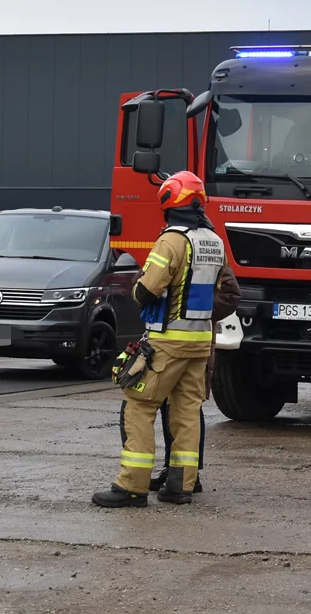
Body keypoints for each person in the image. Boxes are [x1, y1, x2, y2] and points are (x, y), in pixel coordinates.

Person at [93, 171, 230, 508]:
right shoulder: (214, 241)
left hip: (167, 341)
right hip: (199, 341)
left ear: (169, 202)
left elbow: (147, 289)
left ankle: (132, 486)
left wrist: (140, 291)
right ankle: (180, 486)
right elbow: (221, 289)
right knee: (186, 412)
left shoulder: (171, 240)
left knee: (139, 406)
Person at [117, 260, 240, 494]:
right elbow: (144, 282)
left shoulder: (177, 246)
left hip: (181, 343)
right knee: (182, 408)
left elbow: (230, 296)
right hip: (176, 342)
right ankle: (180, 476)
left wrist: (190, 311)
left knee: (164, 406)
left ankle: (177, 476)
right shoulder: (200, 248)